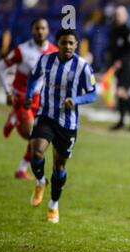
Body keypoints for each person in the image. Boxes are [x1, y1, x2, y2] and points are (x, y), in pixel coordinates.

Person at [25, 28, 98, 223]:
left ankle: (53, 205)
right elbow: (33, 77)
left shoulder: (83, 67)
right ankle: (40, 181)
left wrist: (76, 100)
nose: (67, 46)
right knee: (37, 151)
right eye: (64, 42)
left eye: (71, 43)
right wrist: (29, 94)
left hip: (68, 123)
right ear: (57, 43)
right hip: (46, 115)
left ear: (76, 45)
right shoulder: (46, 60)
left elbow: (93, 93)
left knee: (59, 166)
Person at [0, 18, 57, 180]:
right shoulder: (22, 50)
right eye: (37, 28)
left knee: (38, 139)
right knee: (32, 135)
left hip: (40, 100)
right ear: (32, 31)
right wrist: (8, 93)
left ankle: (21, 170)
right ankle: (15, 118)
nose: (40, 31)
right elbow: (0, 68)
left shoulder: (53, 51)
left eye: (43, 28)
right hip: (21, 97)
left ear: (48, 30)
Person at [106, 5, 130, 130]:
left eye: (120, 15)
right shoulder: (114, 30)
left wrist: (121, 61)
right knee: (120, 94)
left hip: (127, 67)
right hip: (117, 67)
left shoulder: (129, 32)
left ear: (126, 16)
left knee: (122, 92)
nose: (117, 17)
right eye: (116, 15)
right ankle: (123, 121)